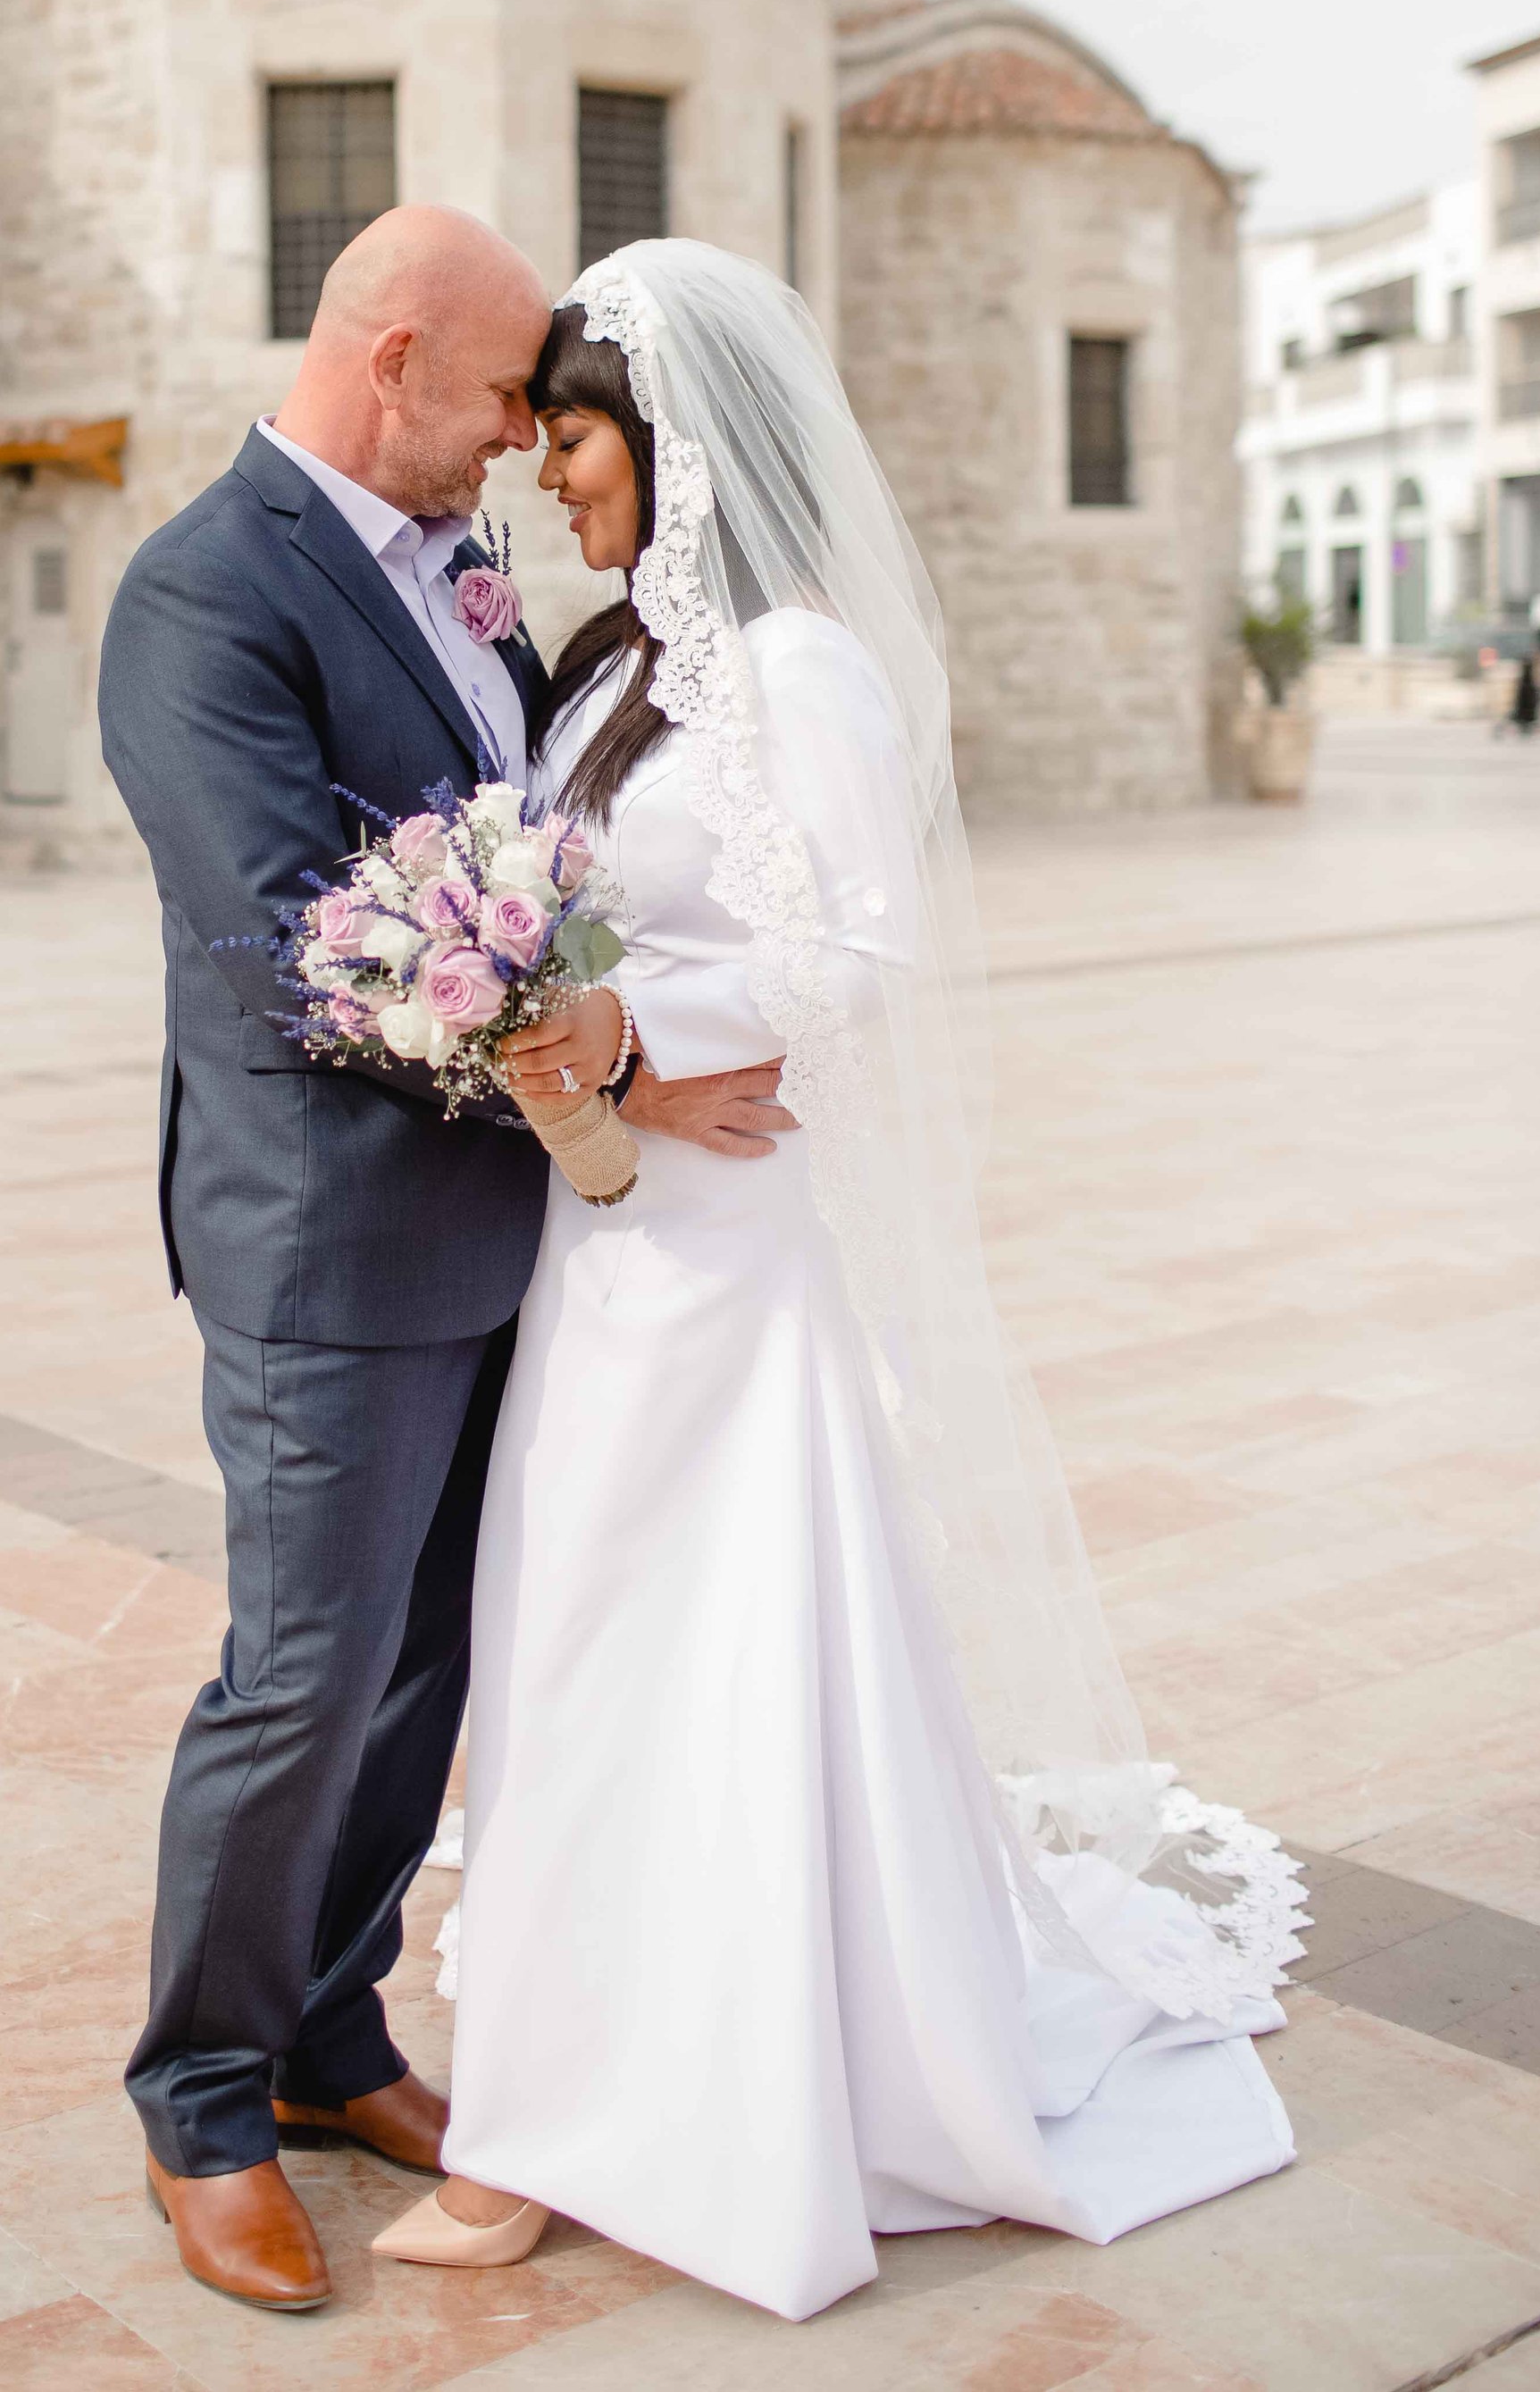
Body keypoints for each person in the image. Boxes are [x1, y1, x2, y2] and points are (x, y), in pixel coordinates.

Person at [372, 238, 1304, 2323]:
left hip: (728, 1250)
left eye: (585, 437)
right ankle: (558, 2083)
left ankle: (677, 2107)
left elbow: (862, 965)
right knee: (567, 1644)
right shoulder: (614, 670)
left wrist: (645, 1046)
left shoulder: (802, 672)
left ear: (677, 445)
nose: (555, 478)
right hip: (598, 1241)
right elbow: (580, 923)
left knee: (692, 1650)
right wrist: (545, 1025)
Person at [97, 206, 793, 2313]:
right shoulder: (202, 592)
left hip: (506, 1242)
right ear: (391, 359)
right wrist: (599, 1084)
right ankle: (201, 2098)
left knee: (427, 1667)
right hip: (323, 1238)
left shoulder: (461, 583)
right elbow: (294, 943)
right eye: (499, 394)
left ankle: (325, 2034)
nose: (518, 440)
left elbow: (524, 863)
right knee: (302, 1675)